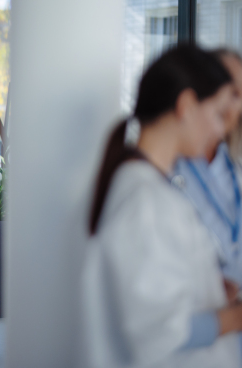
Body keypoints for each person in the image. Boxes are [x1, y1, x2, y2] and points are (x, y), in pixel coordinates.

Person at [81, 44, 242, 368]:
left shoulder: (147, 189)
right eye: (217, 114)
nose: (220, 129)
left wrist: (208, 289)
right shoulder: (147, 201)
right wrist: (236, 317)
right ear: (186, 105)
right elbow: (164, 333)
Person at [172, 50, 242, 287]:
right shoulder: (167, 170)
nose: (228, 104)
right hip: (196, 315)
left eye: (237, 94)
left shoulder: (236, 168)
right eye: (224, 90)